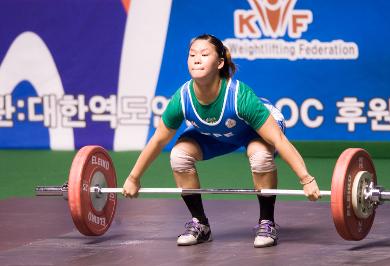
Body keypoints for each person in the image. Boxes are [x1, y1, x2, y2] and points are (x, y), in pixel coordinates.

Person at [122, 34, 321, 248]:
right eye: (192, 55)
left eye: (204, 54)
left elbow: (279, 140)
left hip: (254, 131)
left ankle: (267, 222)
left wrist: (306, 179)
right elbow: (158, 141)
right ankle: (200, 224)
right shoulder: (182, 98)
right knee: (179, 155)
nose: (196, 59)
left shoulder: (239, 97)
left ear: (219, 63)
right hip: (217, 134)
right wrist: (133, 178)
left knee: (261, 156)